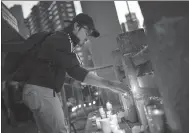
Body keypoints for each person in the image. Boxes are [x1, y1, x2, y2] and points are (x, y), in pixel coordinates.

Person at [12, 13, 129, 133]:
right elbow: (75, 70)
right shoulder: (63, 39)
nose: (87, 38)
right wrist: (109, 84)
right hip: (43, 92)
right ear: (77, 26)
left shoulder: (60, 40)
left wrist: (71, 81)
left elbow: (52, 67)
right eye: (87, 32)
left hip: (34, 91)